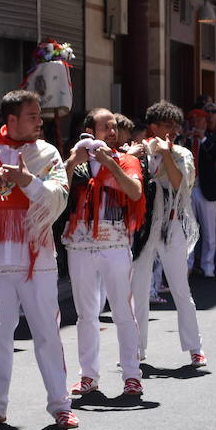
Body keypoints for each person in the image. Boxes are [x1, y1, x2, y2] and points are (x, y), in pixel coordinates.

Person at [0, 90, 75, 429]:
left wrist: (25, 180)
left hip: (38, 259)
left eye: (39, 114)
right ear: (11, 119)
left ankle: (60, 404)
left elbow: (59, 197)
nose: (39, 121)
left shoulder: (47, 153)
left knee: (47, 333)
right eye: (32, 115)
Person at [63, 108, 146, 397]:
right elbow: (57, 188)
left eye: (114, 127)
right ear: (89, 131)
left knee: (123, 311)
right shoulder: (77, 160)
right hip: (80, 245)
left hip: (115, 245)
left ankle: (132, 375)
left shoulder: (126, 160)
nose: (112, 132)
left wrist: (111, 166)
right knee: (86, 314)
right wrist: (74, 159)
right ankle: (88, 375)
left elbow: (135, 192)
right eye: (105, 127)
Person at [129, 101, 206, 369]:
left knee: (180, 288)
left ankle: (195, 347)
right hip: (142, 226)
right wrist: (135, 154)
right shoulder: (138, 152)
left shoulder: (182, 153)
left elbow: (179, 185)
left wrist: (168, 153)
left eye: (175, 125)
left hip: (172, 225)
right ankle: (136, 349)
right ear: (152, 126)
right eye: (166, 125)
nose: (172, 130)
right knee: (138, 290)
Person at [190, 109, 216, 278]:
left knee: (209, 231)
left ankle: (208, 266)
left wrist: (202, 138)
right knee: (189, 230)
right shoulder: (185, 139)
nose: (196, 123)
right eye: (193, 120)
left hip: (206, 189)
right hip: (189, 188)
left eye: (199, 120)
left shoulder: (212, 139)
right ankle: (188, 264)